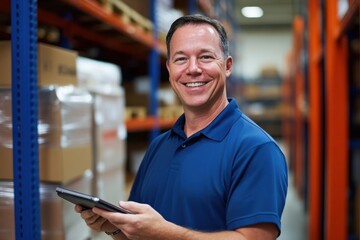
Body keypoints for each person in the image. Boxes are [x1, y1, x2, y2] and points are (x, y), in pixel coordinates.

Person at [75, 14, 288, 240]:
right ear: (169, 69)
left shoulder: (256, 149)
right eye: (181, 59)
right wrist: (115, 227)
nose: (193, 69)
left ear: (227, 66)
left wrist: (165, 233)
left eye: (205, 57)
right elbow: (141, 233)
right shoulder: (159, 146)